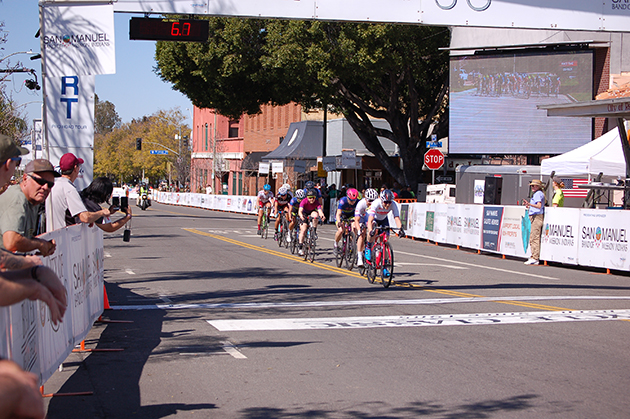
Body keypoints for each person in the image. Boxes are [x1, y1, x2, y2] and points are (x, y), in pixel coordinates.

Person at [0, 159, 58, 256]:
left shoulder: (33, 201)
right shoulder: (17, 199)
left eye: (50, 184)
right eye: (40, 181)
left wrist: (42, 245)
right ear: (25, 179)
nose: (45, 187)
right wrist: (39, 244)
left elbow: (20, 240)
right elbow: (11, 242)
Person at [46, 153, 112, 231]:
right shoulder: (69, 188)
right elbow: (85, 217)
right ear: (75, 168)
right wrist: (101, 212)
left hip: (49, 233)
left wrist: (92, 218)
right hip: (63, 235)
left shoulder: (53, 184)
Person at [365, 189, 404, 265]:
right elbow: (370, 220)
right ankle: (368, 247)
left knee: (385, 241)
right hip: (374, 218)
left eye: (389, 202)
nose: (388, 205)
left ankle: (384, 266)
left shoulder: (393, 204)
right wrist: (370, 231)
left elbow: (396, 217)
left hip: (383, 219)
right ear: (381, 200)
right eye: (386, 202)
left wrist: (400, 229)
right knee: (374, 230)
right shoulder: (376, 203)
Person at [353, 188, 378, 266]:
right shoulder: (361, 204)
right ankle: (360, 258)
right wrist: (359, 230)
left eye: (373, 201)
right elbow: (356, 220)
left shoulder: (375, 205)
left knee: (375, 228)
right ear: (366, 199)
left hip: (368, 218)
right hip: (360, 218)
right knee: (362, 234)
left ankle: (373, 246)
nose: (371, 203)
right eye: (370, 201)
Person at [297, 188, 325, 256]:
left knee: (315, 215)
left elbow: (320, 211)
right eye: (310, 198)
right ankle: (300, 247)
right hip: (304, 214)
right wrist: (301, 216)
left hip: (311, 212)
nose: (311, 199)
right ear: (307, 197)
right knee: (303, 230)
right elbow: (300, 211)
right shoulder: (304, 201)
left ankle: (314, 231)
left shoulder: (316, 202)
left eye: (313, 198)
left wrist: (322, 216)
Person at [523, 179, 545, 265]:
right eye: (532, 186)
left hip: (537, 216)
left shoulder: (538, 194)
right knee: (533, 237)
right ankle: (534, 256)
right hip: (535, 216)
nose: (532, 187)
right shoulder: (537, 194)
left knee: (534, 237)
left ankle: (535, 257)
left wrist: (530, 204)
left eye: (534, 186)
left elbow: (539, 206)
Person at [334, 187, 359, 255]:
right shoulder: (343, 201)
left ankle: (351, 242)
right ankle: (336, 245)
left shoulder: (358, 202)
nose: (352, 202)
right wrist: (339, 222)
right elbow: (338, 214)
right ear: (347, 197)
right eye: (350, 200)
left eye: (354, 200)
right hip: (342, 215)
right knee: (341, 230)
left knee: (354, 226)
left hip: (351, 215)